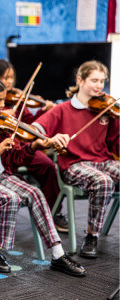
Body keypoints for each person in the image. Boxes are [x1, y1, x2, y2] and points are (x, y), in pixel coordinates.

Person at [0, 76, 86, 277]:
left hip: (1, 175)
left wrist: (33, 146)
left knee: (35, 193)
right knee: (10, 198)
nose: (3, 106)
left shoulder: (3, 124)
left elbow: (14, 161)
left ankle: (58, 254)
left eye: (4, 100)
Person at [32, 60, 119, 259]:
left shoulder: (107, 109)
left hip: (103, 162)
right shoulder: (63, 109)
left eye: (102, 81)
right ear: (80, 80)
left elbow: (116, 146)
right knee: (103, 181)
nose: (99, 86)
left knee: (106, 176)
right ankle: (91, 236)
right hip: (73, 164)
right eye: (94, 80)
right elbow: (36, 129)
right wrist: (50, 139)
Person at [0, 59, 67, 232]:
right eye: (5, 77)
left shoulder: (19, 98)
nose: (9, 82)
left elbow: (28, 124)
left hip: (22, 146)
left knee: (48, 166)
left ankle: (53, 213)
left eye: (11, 77)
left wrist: (42, 111)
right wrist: (1, 113)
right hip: (2, 148)